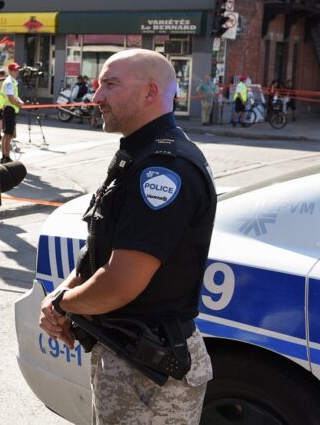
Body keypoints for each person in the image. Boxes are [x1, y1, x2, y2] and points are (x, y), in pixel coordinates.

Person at [39, 49, 215, 424]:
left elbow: (121, 283)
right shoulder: (139, 157)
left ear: (150, 93)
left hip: (149, 373)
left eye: (110, 84)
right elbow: (101, 250)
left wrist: (63, 306)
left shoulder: (164, 169)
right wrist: (62, 295)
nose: (97, 96)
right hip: (128, 360)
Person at [0, 62, 24, 164]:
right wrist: (19, 104)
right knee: (8, 135)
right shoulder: (9, 82)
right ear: (10, 71)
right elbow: (11, 99)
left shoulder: (12, 81)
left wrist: (19, 101)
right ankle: (6, 157)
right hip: (9, 110)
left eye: (17, 69)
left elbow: (14, 96)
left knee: (7, 135)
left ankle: (4, 156)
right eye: (15, 70)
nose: (17, 71)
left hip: (10, 110)